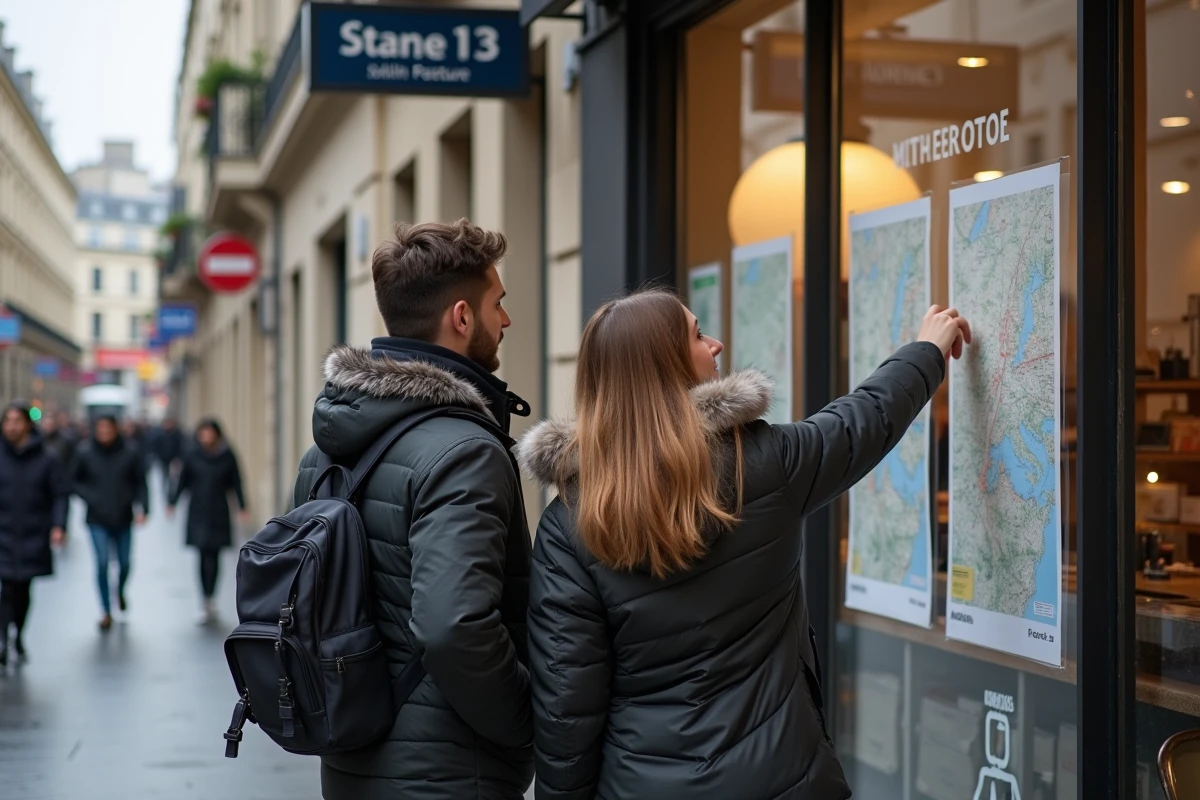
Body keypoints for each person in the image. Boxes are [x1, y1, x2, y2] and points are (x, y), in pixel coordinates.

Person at [517, 290, 971, 800]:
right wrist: (925, 352)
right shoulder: (765, 461)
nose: (716, 344)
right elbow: (861, 421)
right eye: (695, 334)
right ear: (664, 366)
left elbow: (567, 706)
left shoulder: (568, 525)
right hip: (783, 777)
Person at [292, 219, 533, 800]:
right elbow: (453, 627)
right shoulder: (466, 451)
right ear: (461, 317)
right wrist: (524, 722)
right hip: (451, 771)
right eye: (497, 303)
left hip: (350, 751)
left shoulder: (325, 446)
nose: (506, 320)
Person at [0, 402, 67, 666]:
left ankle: (18, 634)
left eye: (17, 421)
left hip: (33, 532)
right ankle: (3, 639)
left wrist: (58, 526)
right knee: (6, 587)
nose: (11, 426)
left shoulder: (47, 458)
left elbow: (59, 494)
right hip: (3, 532)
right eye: (7, 421)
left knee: (23, 588)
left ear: (28, 424)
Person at [72, 415, 149, 631]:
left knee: (124, 563)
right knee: (102, 562)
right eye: (100, 429)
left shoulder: (130, 452)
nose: (104, 433)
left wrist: (143, 507)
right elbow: (74, 480)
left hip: (123, 517)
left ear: (116, 430)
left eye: (108, 429)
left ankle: (120, 591)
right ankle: (105, 610)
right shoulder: (85, 452)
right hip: (97, 518)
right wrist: (90, 496)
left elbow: (140, 482)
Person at [167, 418, 247, 623]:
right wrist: (172, 502)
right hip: (198, 511)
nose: (206, 437)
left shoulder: (227, 455)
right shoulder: (192, 455)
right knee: (203, 556)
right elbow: (183, 480)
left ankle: (212, 596)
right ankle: (205, 599)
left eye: (210, 433)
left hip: (219, 511)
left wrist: (242, 506)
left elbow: (236, 481)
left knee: (216, 556)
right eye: (203, 433)